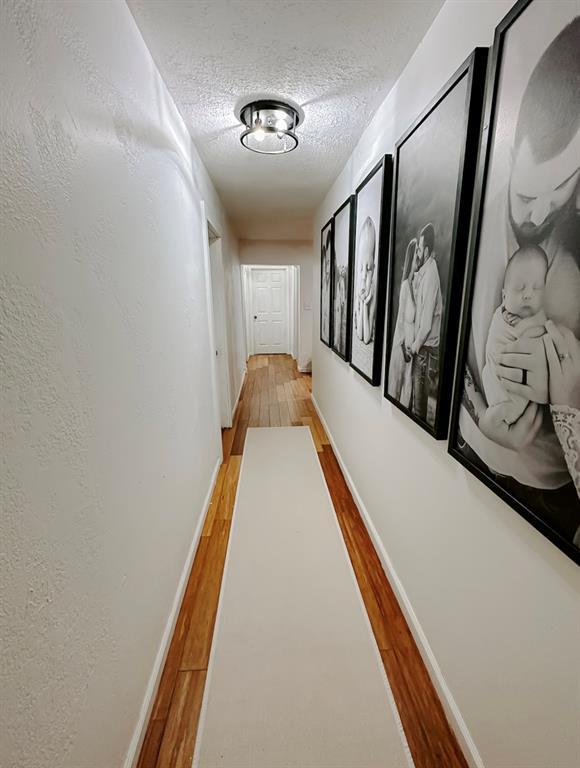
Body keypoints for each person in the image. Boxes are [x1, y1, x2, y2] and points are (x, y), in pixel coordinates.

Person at [459, 17, 580, 544]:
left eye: (564, 186)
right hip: (470, 457)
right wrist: (480, 417)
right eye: (527, 195)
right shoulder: (472, 228)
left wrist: (572, 398)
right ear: (508, 155)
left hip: (554, 500)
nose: (544, 210)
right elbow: (446, 358)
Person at [482, 245, 548, 425]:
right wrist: (504, 315)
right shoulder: (501, 314)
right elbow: (496, 333)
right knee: (486, 372)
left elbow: (538, 336)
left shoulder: (539, 319)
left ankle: (508, 410)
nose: (528, 295)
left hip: (518, 390)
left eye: (537, 288)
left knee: (517, 397)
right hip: (493, 374)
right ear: (504, 297)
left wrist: (524, 325)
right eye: (520, 288)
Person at [410, 223, 442, 422]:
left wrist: (414, 347)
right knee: (416, 405)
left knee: (418, 411)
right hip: (423, 350)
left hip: (426, 351)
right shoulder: (426, 272)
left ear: (427, 250)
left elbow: (426, 324)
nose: (418, 252)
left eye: (420, 249)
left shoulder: (431, 276)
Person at [387, 238, 417, 406]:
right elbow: (401, 320)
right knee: (397, 387)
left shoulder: (417, 286)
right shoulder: (406, 286)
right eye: (416, 258)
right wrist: (405, 344)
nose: (418, 261)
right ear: (411, 259)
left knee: (408, 390)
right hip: (401, 347)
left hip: (411, 349)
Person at [353, 217, 377, 345]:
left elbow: (366, 338)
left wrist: (364, 305)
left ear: (374, 269)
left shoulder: (372, 289)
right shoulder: (358, 287)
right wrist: (360, 303)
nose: (363, 277)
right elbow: (358, 334)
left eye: (368, 269)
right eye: (360, 268)